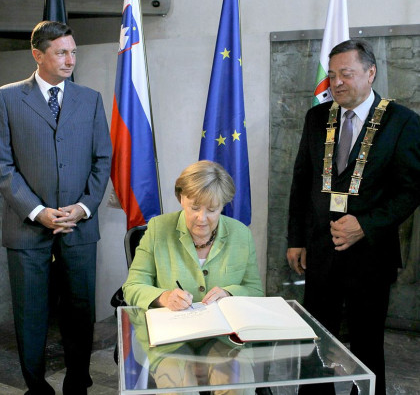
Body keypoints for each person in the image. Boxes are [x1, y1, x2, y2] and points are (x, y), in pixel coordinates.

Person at [287, 39, 420, 395]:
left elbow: (411, 190)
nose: (337, 83)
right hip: (320, 250)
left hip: (371, 256)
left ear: (370, 72)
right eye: (332, 75)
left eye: (346, 74)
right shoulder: (317, 118)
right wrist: (296, 239)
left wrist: (366, 224)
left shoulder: (402, 122)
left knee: (367, 344)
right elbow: (301, 181)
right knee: (317, 340)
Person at [0, 21, 112, 395]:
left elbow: (102, 160)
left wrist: (83, 207)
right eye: (61, 52)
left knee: (80, 312)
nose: (70, 59)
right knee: (30, 315)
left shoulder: (90, 99)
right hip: (27, 227)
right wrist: (37, 212)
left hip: (79, 227)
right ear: (38, 54)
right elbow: (2, 165)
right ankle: (37, 388)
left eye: (73, 52)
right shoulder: (6, 98)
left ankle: (77, 384)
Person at [123, 160, 264, 393]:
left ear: (223, 205)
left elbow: (255, 290)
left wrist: (229, 293)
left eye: (212, 209)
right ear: (181, 198)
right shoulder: (158, 229)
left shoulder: (241, 234)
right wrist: (164, 297)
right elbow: (133, 286)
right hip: (170, 339)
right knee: (181, 388)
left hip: (223, 338)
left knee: (237, 386)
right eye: (195, 207)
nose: (202, 218)